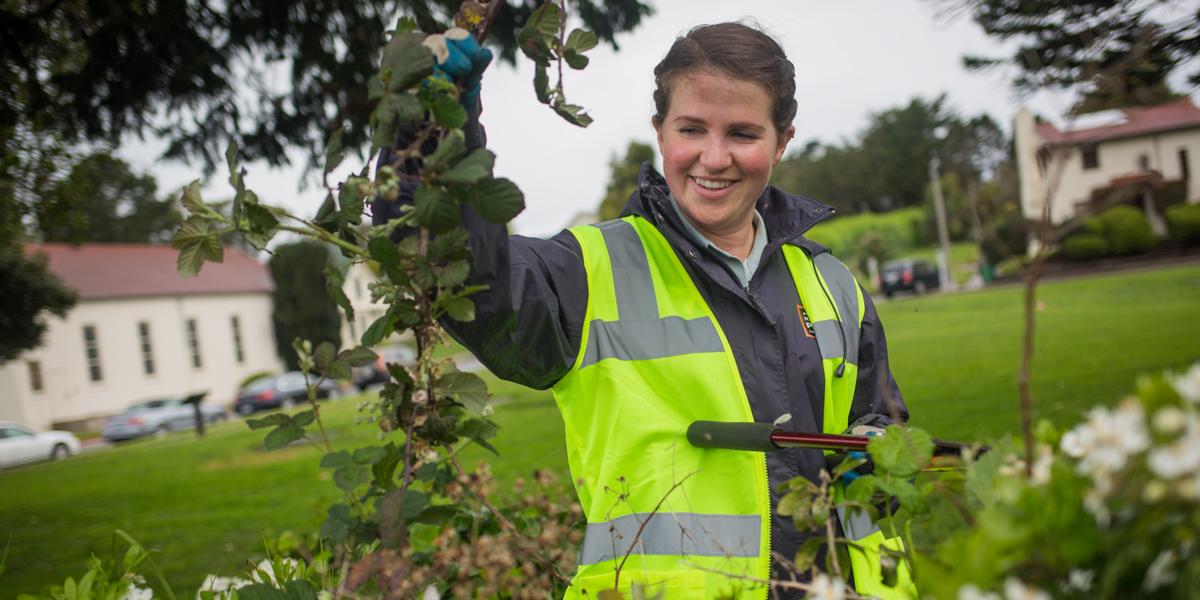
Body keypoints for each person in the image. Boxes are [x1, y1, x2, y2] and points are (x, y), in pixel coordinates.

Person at [377, 22, 911, 600]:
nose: (714, 156)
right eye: (691, 129)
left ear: (782, 142)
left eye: (743, 133)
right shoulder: (586, 270)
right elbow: (450, 266)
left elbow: (880, 435)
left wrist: (881, 460)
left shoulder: (832, 282)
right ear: (659, 133)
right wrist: (431, 133)